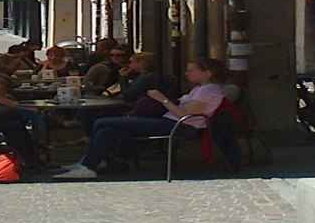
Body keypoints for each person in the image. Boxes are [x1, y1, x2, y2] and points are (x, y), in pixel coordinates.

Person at [54, 58, 229, 180]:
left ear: (207, 73)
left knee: (102, 122)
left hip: (177, 125)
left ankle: (90, 163)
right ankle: (91, 164)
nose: (187, 73)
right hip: (169, 122)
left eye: (191, 70)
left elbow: (187, 116)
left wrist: (162, 99)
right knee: (107, 130)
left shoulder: (208, 90)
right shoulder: (200, 88)